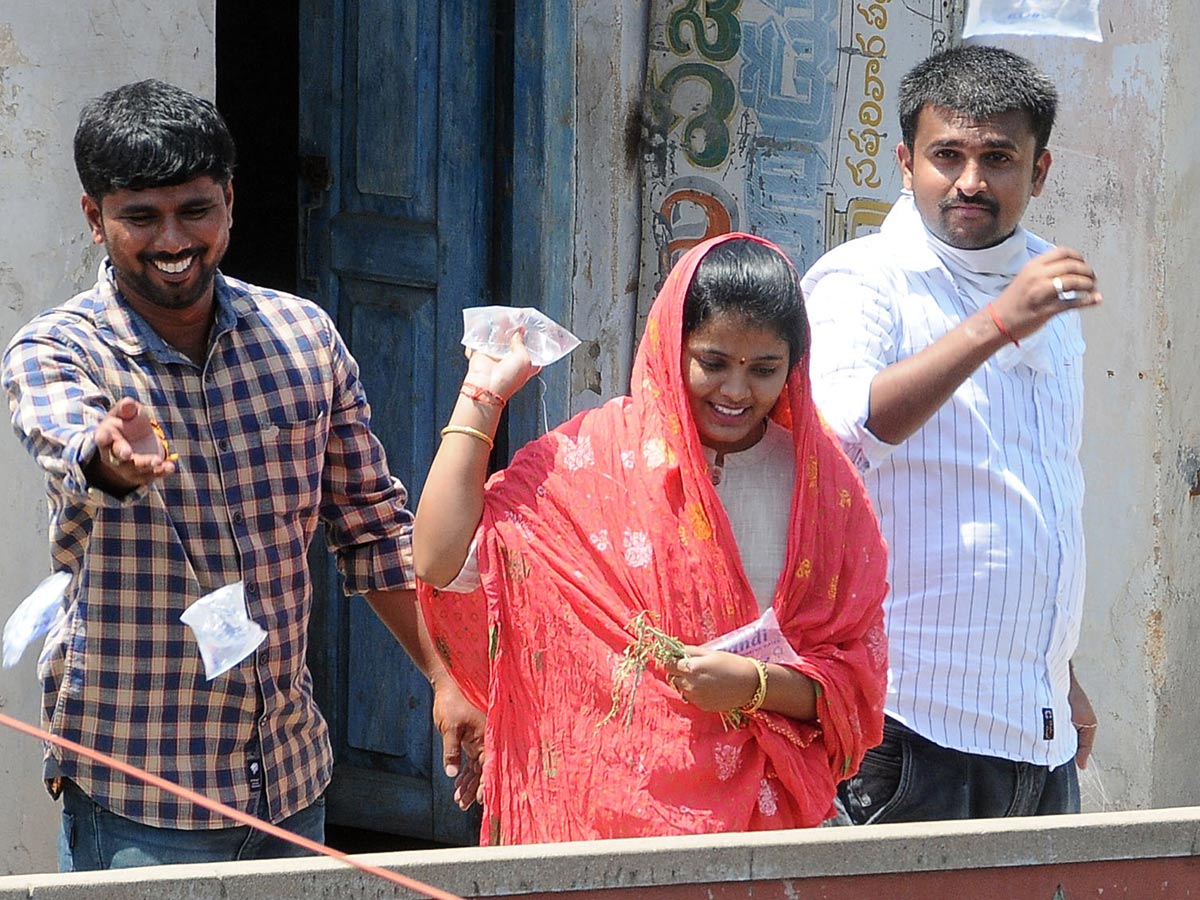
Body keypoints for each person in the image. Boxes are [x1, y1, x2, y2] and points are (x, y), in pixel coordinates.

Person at [1, 79, 480, 870]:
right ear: (96, 218)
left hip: (291, 779)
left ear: (228, 199)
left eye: (194, 210)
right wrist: (111, 461)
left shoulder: (303, 337)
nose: (172, 239)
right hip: (143, 797)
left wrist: (445, 677)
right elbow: (71, 447)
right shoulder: (58, 351)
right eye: (140, 217)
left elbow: (369, 528)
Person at [412, 233, 888, 844]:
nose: (737, 392)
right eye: (713, 363)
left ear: (793, 368)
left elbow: (854, 688)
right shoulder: (589, 463)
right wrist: (483, 393)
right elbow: (441, 558)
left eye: (764, 369)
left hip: (760, 839)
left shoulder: (823, 493)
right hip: (598, 832)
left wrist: (753, 685)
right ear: (671, 346)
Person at [802, 44, 1101, 823]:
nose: (970, 182)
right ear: (906, 163)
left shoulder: (1048, 279)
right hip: (906, 727)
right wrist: (996, 325)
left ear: (1037, 172)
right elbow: (845, 437)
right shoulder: (861, 281)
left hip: (1037, 731)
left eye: (998, 158)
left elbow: (1036, 485)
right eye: (947, 156)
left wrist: (1057, 669)